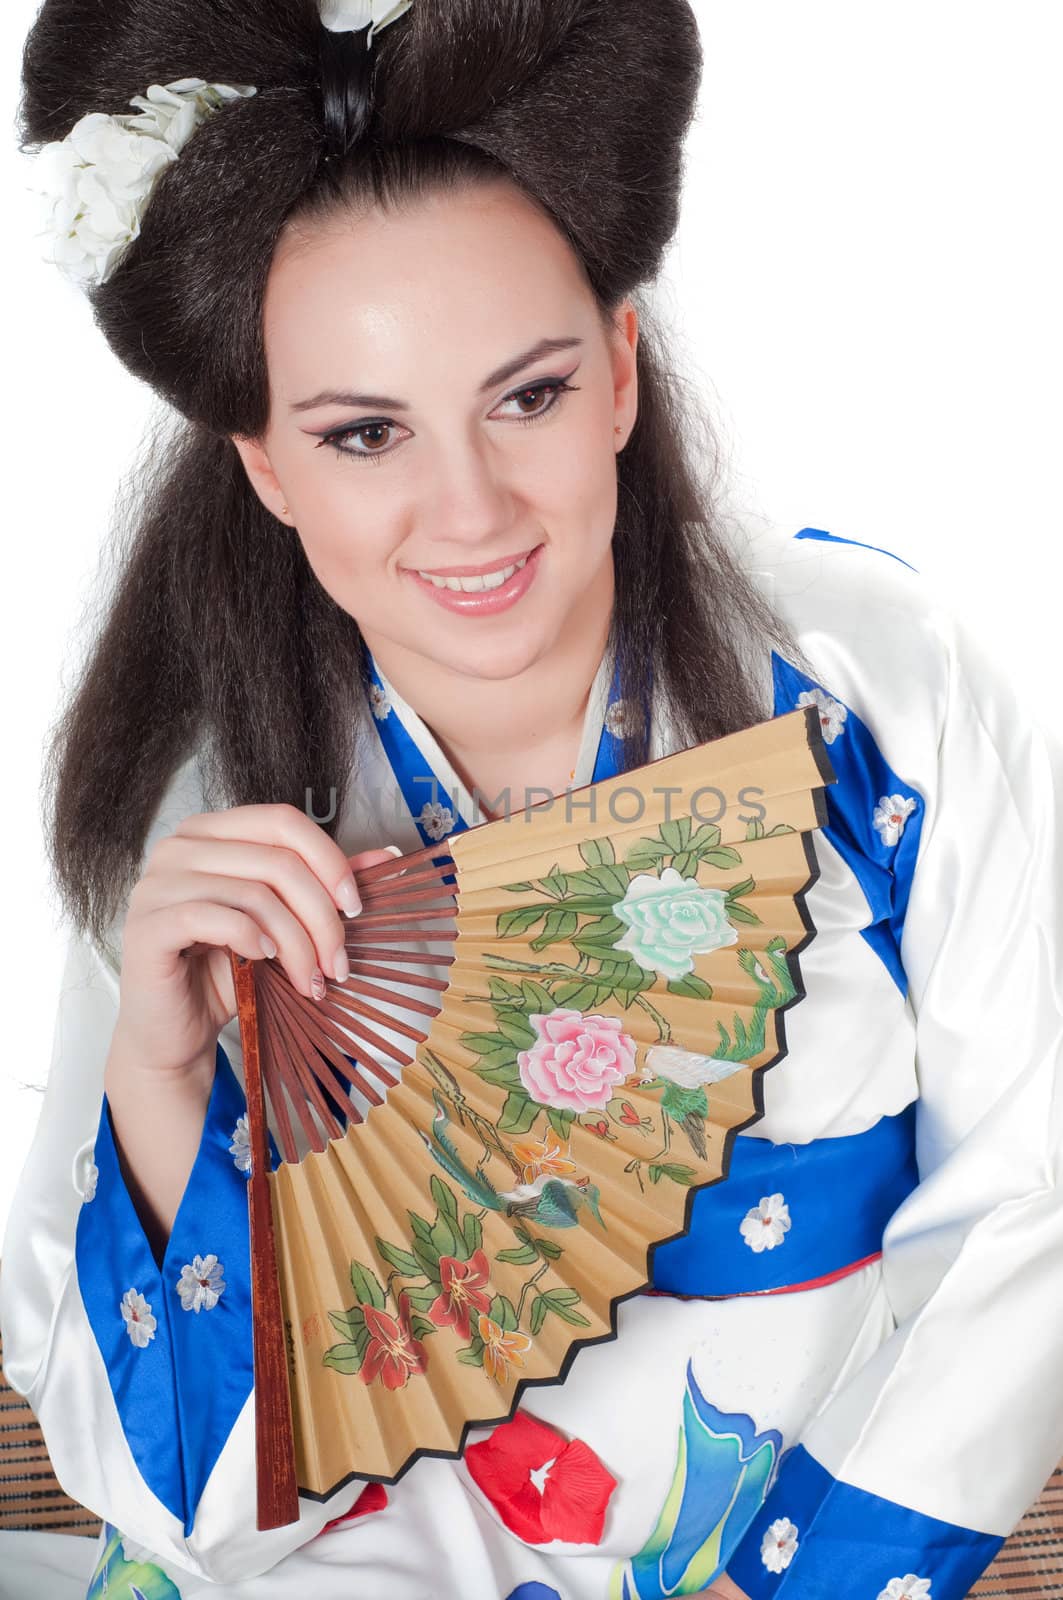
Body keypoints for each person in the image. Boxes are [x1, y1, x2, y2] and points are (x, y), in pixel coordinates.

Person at [1, 2, 1061, 1597]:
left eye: (530, 396)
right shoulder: (212, 818)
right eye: (366, 434)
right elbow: (191, 1515)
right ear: (268, 471)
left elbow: (1031, 1213)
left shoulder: (880, 696)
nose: (471, 509)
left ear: (622, 373)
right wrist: (159, 1082)